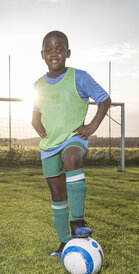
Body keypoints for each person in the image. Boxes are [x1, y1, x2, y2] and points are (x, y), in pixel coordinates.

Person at [32, 30, 112, 257]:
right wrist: (34, 119)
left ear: (67, 53)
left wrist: (92, 126)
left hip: (73, 137)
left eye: (58, 49)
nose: (53, 53)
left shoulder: (79, 76)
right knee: (57, 195)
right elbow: (36, 109)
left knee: (72, 158)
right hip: (49, 145)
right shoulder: (38, 84)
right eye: (49, 50)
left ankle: (77, 221)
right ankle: (64, 242)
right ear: (42, 54)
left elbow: (105, 99)